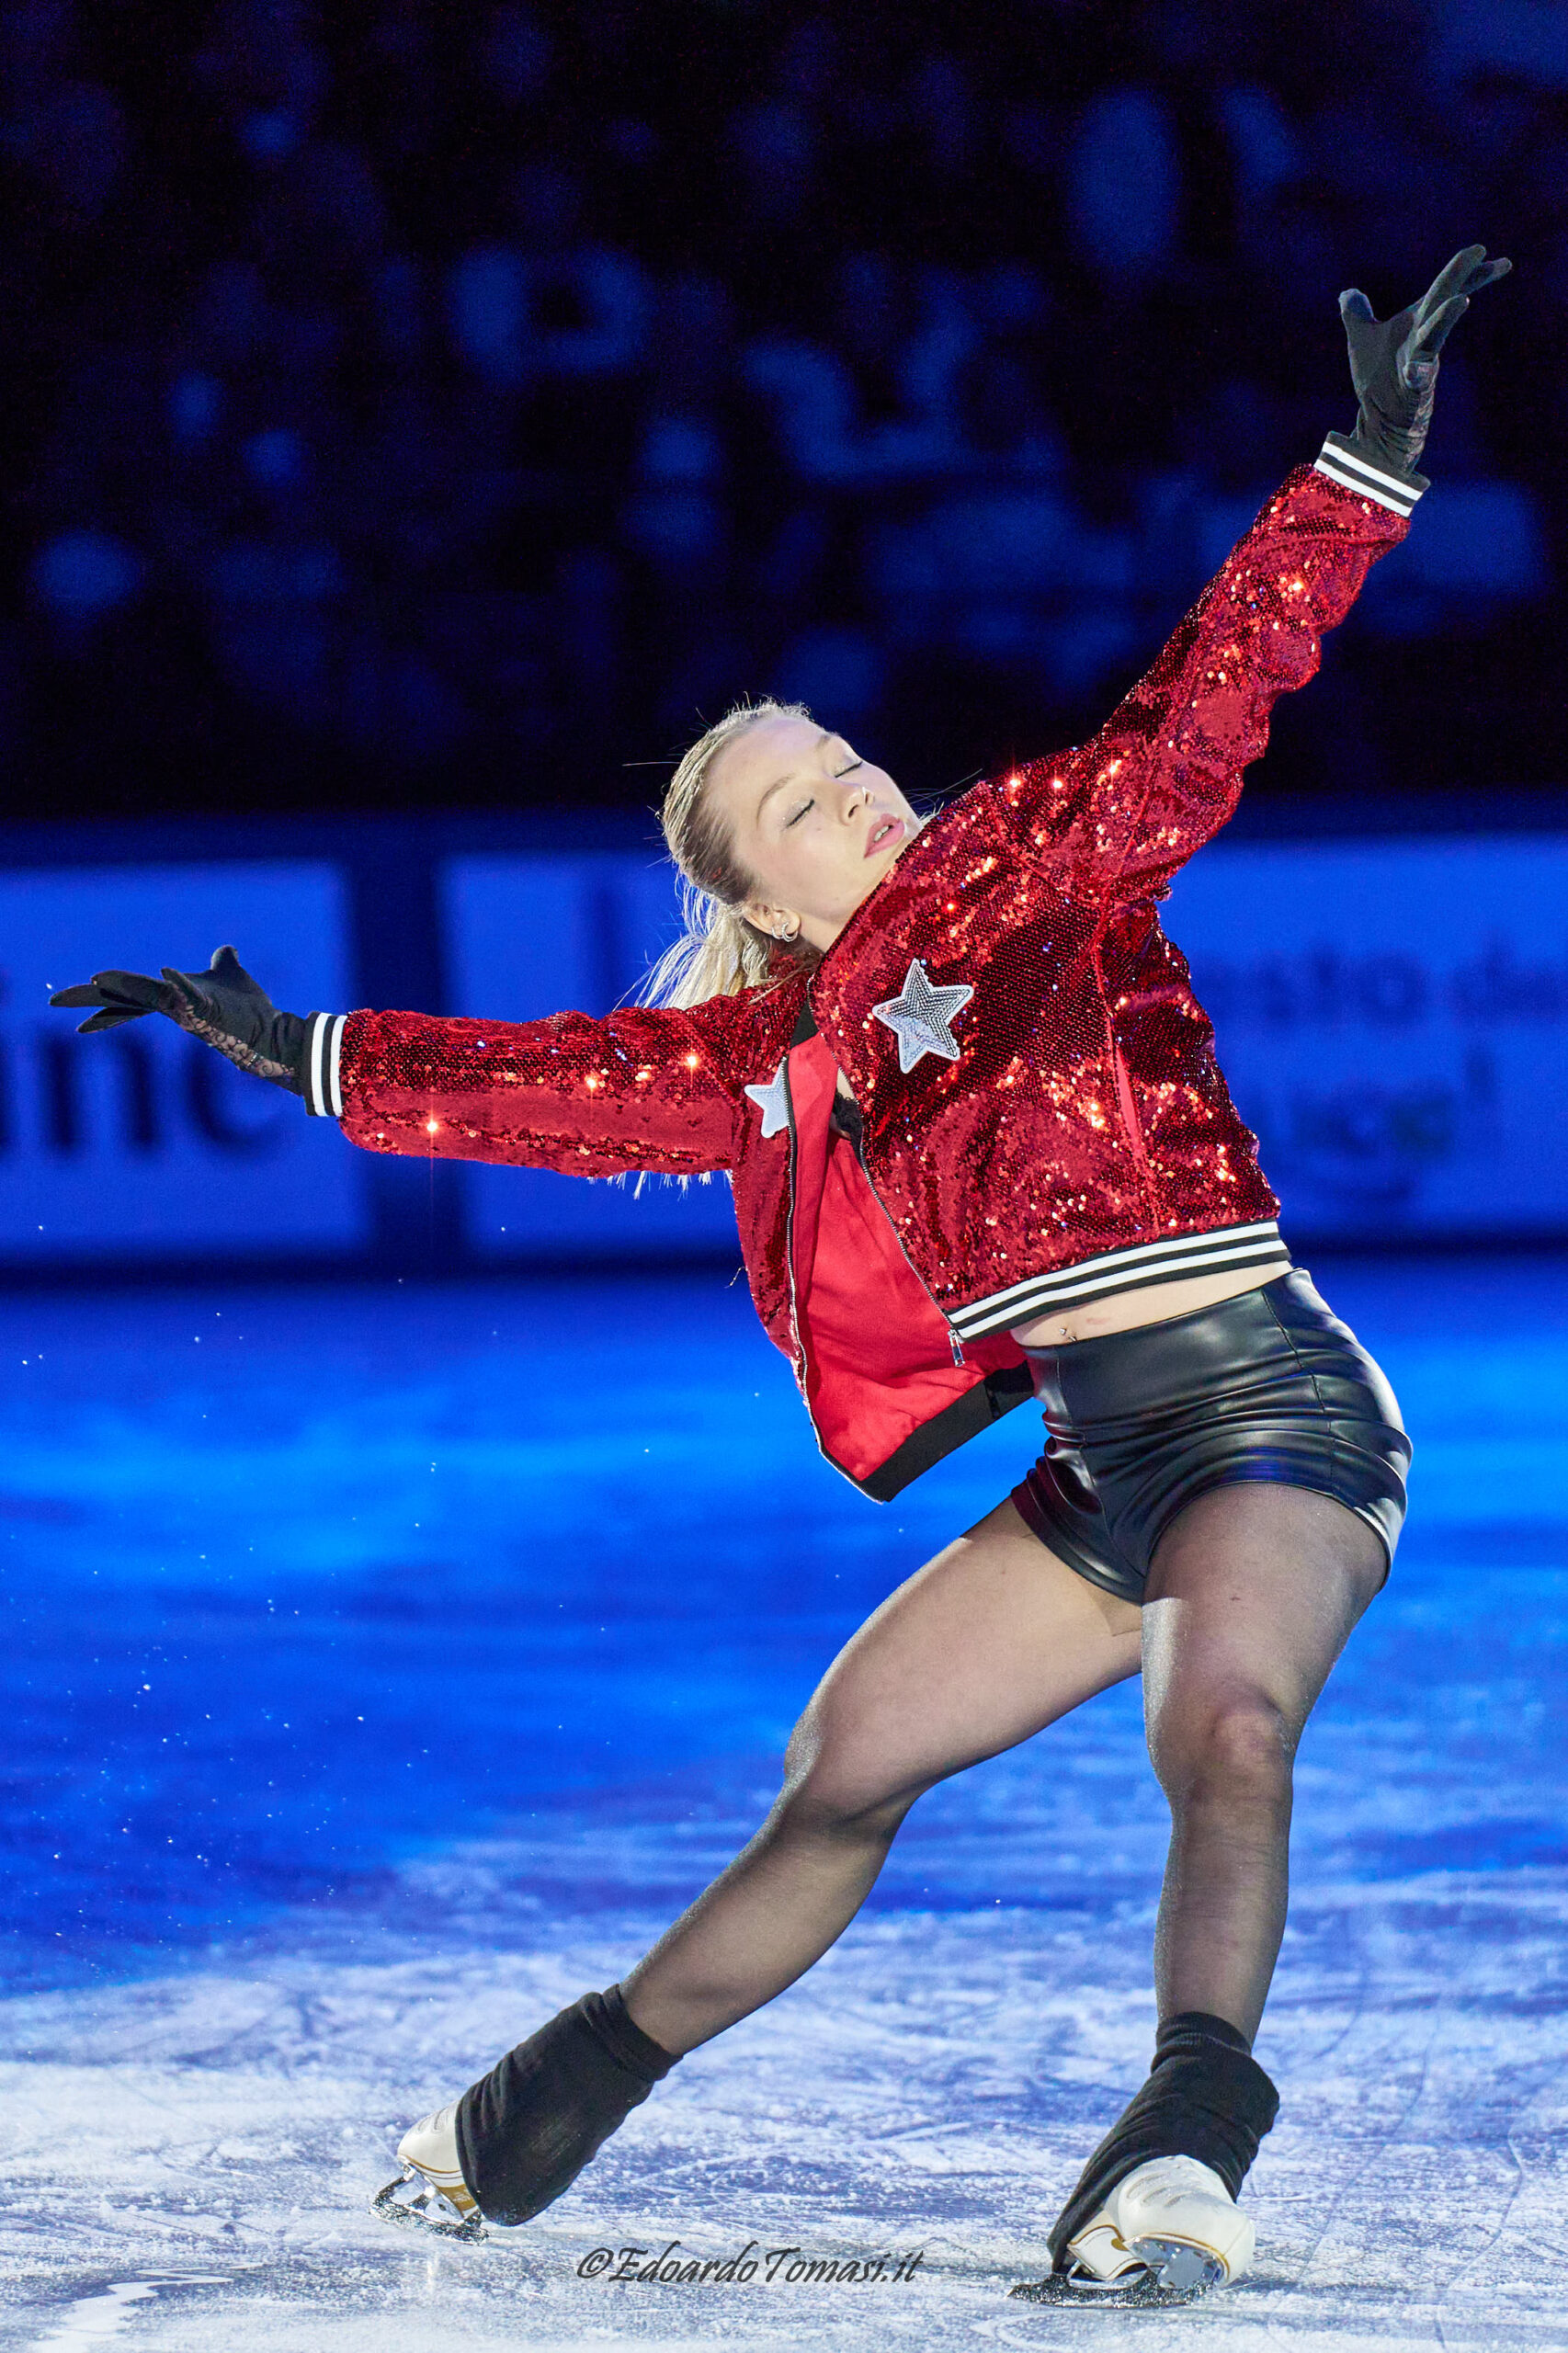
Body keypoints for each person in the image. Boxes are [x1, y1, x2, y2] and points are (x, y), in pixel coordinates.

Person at [52, 247, 1508, 2302]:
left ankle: (1185, 2146)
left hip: (1269, 1407)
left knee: (1227, 1724)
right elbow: (552, 1087)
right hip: (1099, 1467)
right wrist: (300, 1049)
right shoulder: (776, 1053)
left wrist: (1355, 472)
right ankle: (527, 2115)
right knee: (840, 1772)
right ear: (763, 904)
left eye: (838, 758)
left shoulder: (1034, 854)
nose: (850, 787)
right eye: (795, 807)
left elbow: (1205, 701)